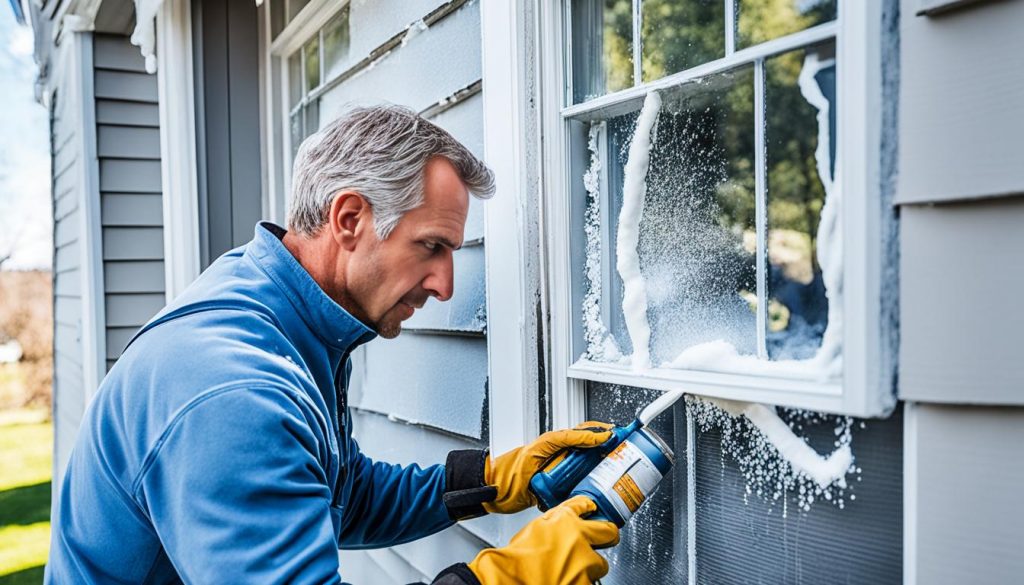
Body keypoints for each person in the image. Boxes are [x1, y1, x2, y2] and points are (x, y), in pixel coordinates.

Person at [45, 105, 619, 584]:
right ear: (349, 218)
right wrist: (514, 577)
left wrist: (489, 481)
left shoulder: (283, 313)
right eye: (431, 246)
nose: (445, 285)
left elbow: (341, 495)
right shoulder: (233, 391)